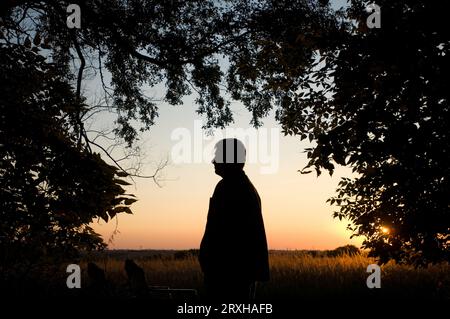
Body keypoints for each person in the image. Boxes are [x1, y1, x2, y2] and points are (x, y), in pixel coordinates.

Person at [199, 138, 270, 301]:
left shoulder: (230, 187)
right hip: (233, 274)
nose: (213, 161)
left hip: (228, 275)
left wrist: (212, 264)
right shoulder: (239, 186)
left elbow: (223, 234)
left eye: (217, 156)